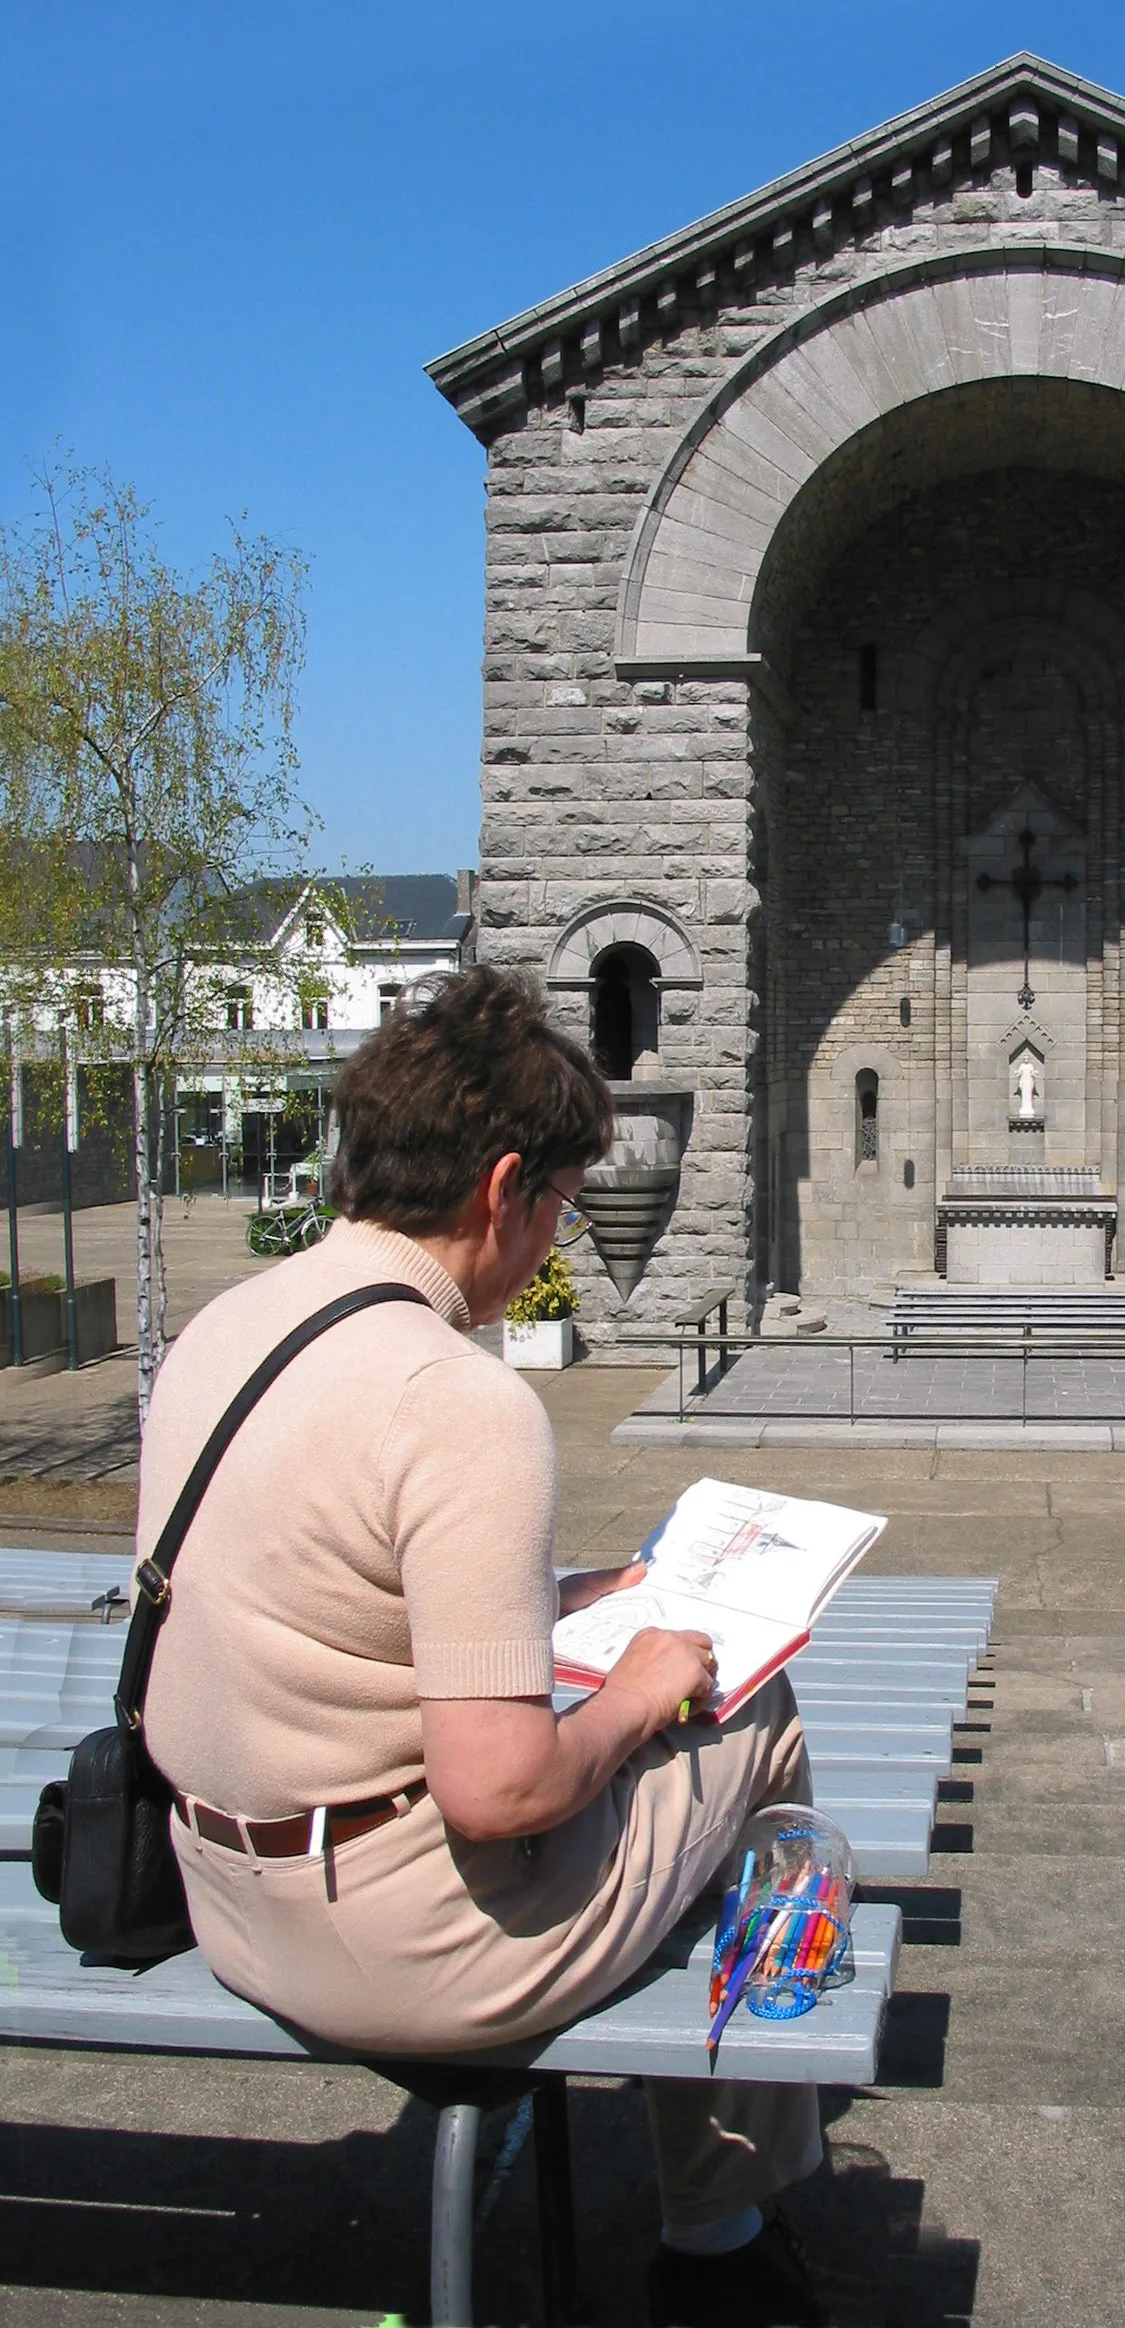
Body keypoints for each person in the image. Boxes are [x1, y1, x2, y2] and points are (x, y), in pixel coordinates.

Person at [139, 966, 824, 2327]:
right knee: (753, 1711)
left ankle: (726, 2173)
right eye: (562, 1201)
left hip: (221, 1898)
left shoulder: (229, 1327)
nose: (552, 1231)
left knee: (664, 1701)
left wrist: (569, 1593)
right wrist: (640, 1687)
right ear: (505, 1186)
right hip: (400, 1949)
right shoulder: (458, 1399)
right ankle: (722, 2224)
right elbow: (497, 1793)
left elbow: (333, 1592)